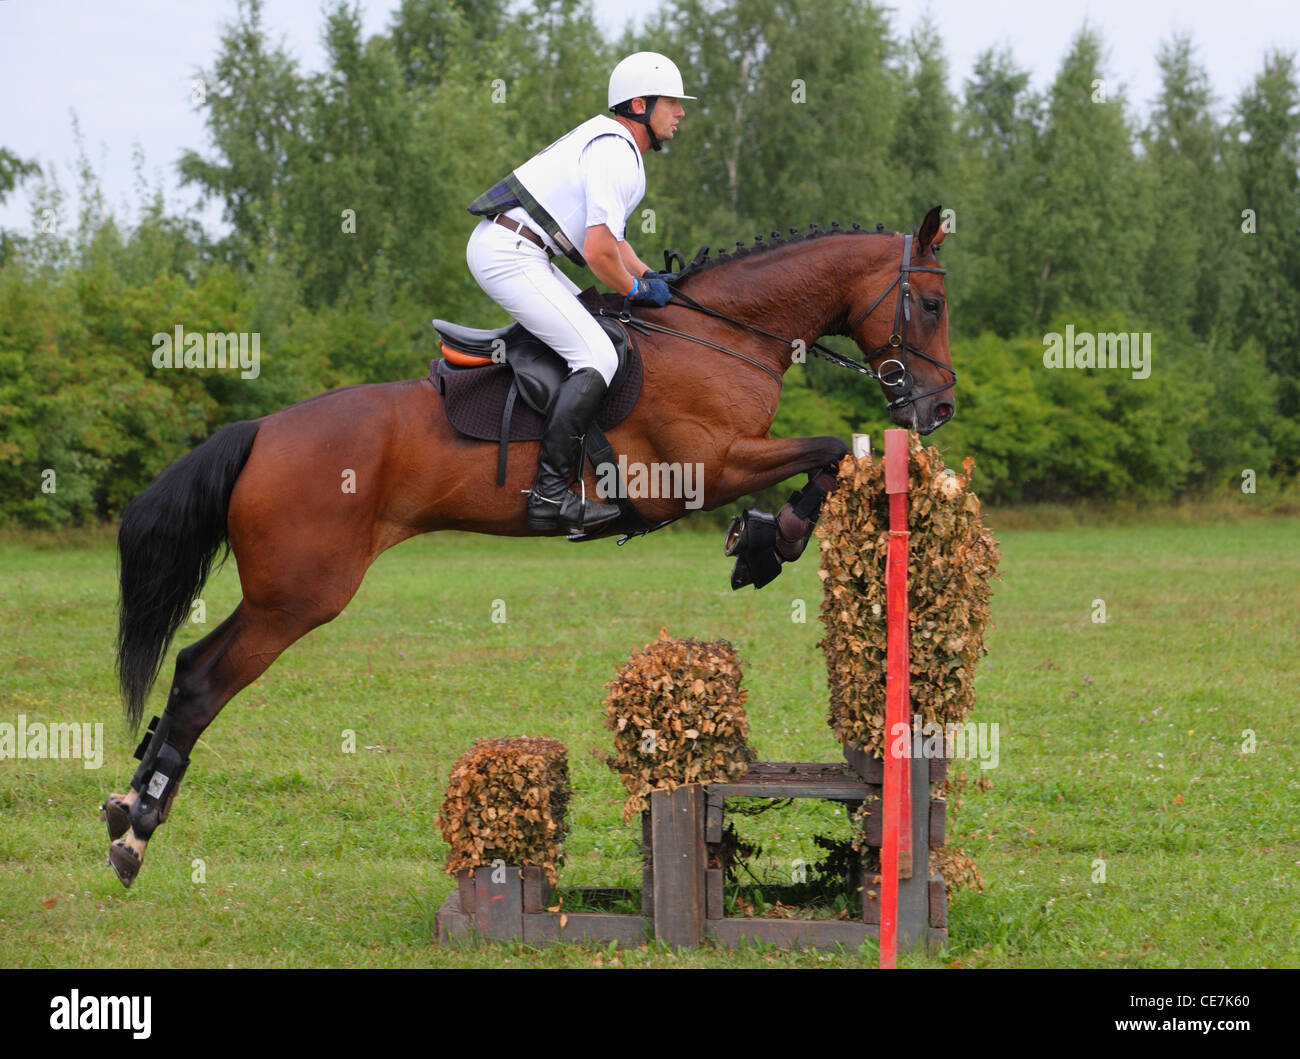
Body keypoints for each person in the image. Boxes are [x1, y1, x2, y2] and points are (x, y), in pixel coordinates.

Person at [465, 51, 695, 533]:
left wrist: (651, 275)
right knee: (599, 357)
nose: (680, 113)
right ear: (639, 104)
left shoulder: (619, 149)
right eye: (671, 103)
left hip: (521, 250)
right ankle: (549, 494)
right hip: (510, 253)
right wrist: (635, 289)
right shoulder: (615, 152)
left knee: (608, 337)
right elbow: (597, 253)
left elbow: (615, 242)